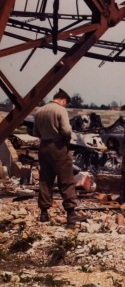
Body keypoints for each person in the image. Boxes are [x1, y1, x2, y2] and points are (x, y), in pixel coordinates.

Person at [33, 88, 86, 225]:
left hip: (43, 147)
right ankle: (71, 214)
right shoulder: (60, 110)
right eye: (66, 103)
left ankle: (44, 213)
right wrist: (65, 141)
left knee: (45, 180)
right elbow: (67, 131)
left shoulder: (39, 111)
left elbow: (35, 132)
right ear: (63, 100)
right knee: (66, 180)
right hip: (58, 147)